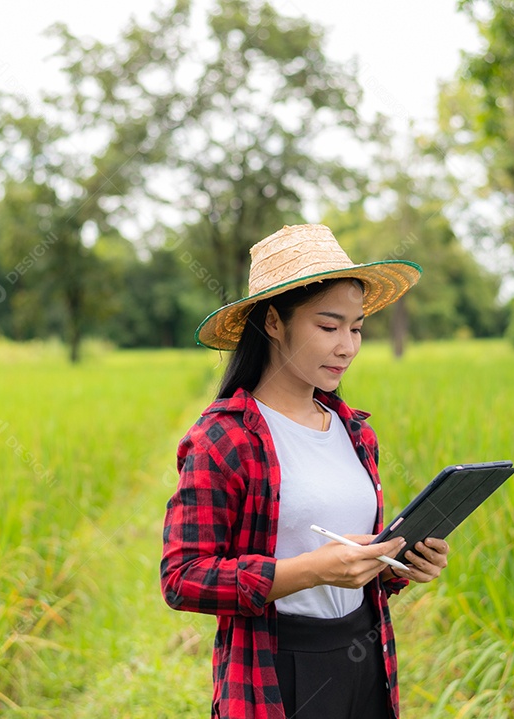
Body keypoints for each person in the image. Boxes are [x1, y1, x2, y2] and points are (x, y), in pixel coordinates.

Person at [160, 224, 451, 719]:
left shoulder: (353, 430)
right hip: (277, 668)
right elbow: (183, 578)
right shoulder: (226, 438)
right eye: (328, 326)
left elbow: (351, 558)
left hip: (366, 655)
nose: (347, 347)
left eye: (356, 328)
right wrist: (309, 570)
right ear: (274, 322)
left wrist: (397, 563)